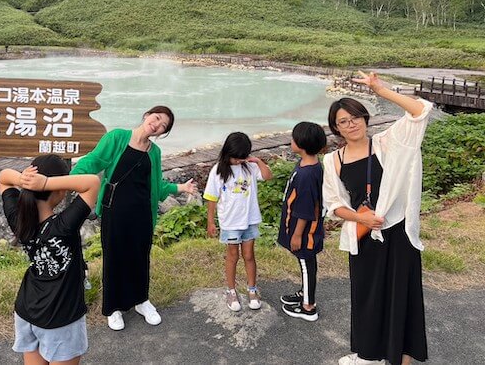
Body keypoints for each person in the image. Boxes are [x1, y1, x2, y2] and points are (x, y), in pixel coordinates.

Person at [323, 71, 431, 365]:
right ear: (336, 128)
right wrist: (362, 220)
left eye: (355, 117)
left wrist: (381, 89)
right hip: (365, 236)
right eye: (343, 121)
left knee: (402, 294)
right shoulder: (333, 160)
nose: (351, 124)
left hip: (397, 233)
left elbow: (419, 112)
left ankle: (401, 357)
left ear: (365, 118)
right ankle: (369, 355)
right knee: (367, 298)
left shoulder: (386, 143)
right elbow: (334, 205)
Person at [70, 105, 197, 331]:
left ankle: (141, 300)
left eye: (163, 126)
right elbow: (93, 161)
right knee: (115, 257)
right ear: (147, 115)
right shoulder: (117, 137)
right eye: (156, 118)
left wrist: (180, 187)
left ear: (161, 133)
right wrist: (69, 180)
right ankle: (113, 308)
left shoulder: (154, 152)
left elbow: (156, 187)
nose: (157, 125)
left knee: (140, 258)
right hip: (114, 212)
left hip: (142, 214)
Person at [0, 154, 100, 365]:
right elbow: (93, 183)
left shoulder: (18, 218)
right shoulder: (63, 225)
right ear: (60, 191)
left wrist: (23, 181)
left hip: (27, 310)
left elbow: (3, 178)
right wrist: (46, 182)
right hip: (61, 317)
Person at [204, 132, 272, 311]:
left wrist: (258, 161)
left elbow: (267, 176)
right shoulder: (218, 170)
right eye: (235, 158)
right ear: (227, 152)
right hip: (230, 222)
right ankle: (231, 291)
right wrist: (211, 222)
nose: (238, 161)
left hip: (249, 220)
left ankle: (252, 289)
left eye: (242, 157)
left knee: (249, 255)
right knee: (232, 256)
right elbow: (211, 198)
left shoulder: (249, 167)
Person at [277, 122, 327, 322]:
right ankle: (305, 292)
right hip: (304, 229)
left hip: (305, 232)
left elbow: (305, 210)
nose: (291, 141)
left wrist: (297, 235)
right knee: (307, 264)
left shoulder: (307, 174)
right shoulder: (310, 164)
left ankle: (308, 307)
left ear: (301, 144)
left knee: (307, 263)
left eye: (293, 138)